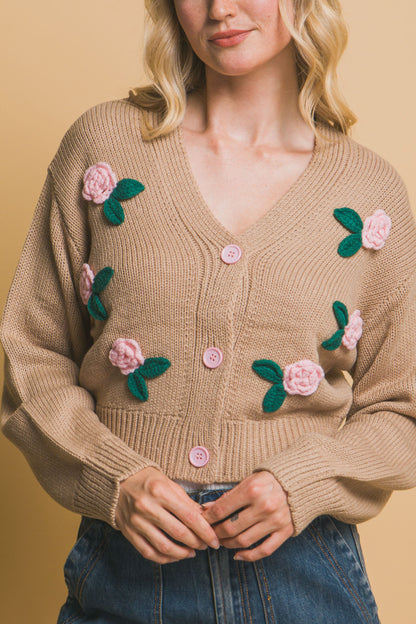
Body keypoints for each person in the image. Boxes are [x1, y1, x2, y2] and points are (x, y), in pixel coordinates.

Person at [1, 0, 416, 622]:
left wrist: (301, 480)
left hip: (304, 576)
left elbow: (402, 409)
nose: (221, 8)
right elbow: (30, 352)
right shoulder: (105, 150)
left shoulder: (367, 199)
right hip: (126, 575)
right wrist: (115, 476)